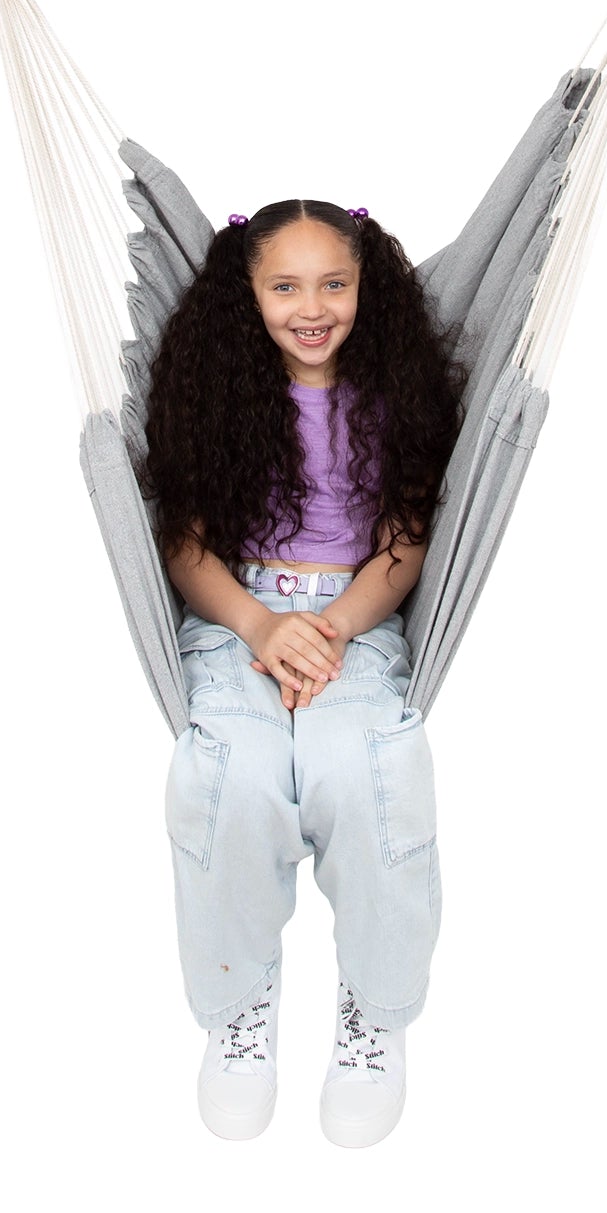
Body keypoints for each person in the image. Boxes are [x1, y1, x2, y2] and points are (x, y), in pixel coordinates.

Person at [141, 198, 464, 1148]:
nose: (311, 306)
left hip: (354, 624)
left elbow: (405, 545)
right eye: (285, 286)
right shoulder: (211, 392)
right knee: (228, 776)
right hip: (235, 617)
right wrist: (260, 626)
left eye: (334, 283)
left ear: (366, 285)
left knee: (367, 777)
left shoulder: (395, 390)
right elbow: (185, 548)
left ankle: (377, 1010)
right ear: (249, 293)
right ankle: (240, 997)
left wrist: (329, 627)